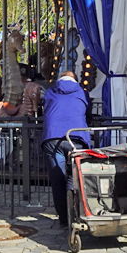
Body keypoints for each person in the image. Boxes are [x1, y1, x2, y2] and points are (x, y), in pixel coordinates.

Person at [41, 71, 92, 227]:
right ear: (75, 80)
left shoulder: (50, 91)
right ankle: (81, 212)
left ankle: (64, 218)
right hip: (76, 137)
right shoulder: (83, 93)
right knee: (78, 176)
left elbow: (46, 110)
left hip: (52, 137)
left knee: (57, 180)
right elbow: (88, 115)